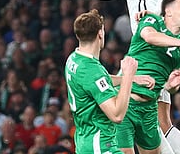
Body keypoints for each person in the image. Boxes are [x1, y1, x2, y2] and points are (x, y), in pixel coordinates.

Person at [44, 0, 180, 154]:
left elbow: (165, 6)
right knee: (160, 120)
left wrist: (153, 15)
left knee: (142, 116)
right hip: (144, 55)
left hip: (152, 57)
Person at [116, 0, 180, 154]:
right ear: (168, 11)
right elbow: (150, 37)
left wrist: (171, 85)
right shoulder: (152, 20)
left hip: (149, 109)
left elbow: (170, 89)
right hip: (125, 103)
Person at [65, 9, 153, 153]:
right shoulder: (92, 70)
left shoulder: (74, 58)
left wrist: (129, 79)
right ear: (100, 33)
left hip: (85, 140)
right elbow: (117, 115)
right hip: (100, 144)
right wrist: (129, 76)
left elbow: (97, 83)